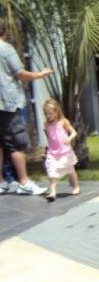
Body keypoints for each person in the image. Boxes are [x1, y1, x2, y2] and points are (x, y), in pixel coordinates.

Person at [0, 18, 53, 195]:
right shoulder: (5, 49)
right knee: (17, 144)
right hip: (8, 103)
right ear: (4, 31)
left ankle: (1, 183)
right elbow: (20, 73)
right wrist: (41, 74)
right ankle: (24, 182)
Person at [42, 99, 79, 201]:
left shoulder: (63, 122)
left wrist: (69, 138)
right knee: (51, 169)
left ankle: (76, 186)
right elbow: (49, 137)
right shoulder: (46, 124)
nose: (48, 116)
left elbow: (74, 132)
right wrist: (48, 147)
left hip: (64, 151)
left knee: (70, 169)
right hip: (52, 152)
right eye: (46, 114)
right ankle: (53, 192)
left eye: (50, 113)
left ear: (56, 112)